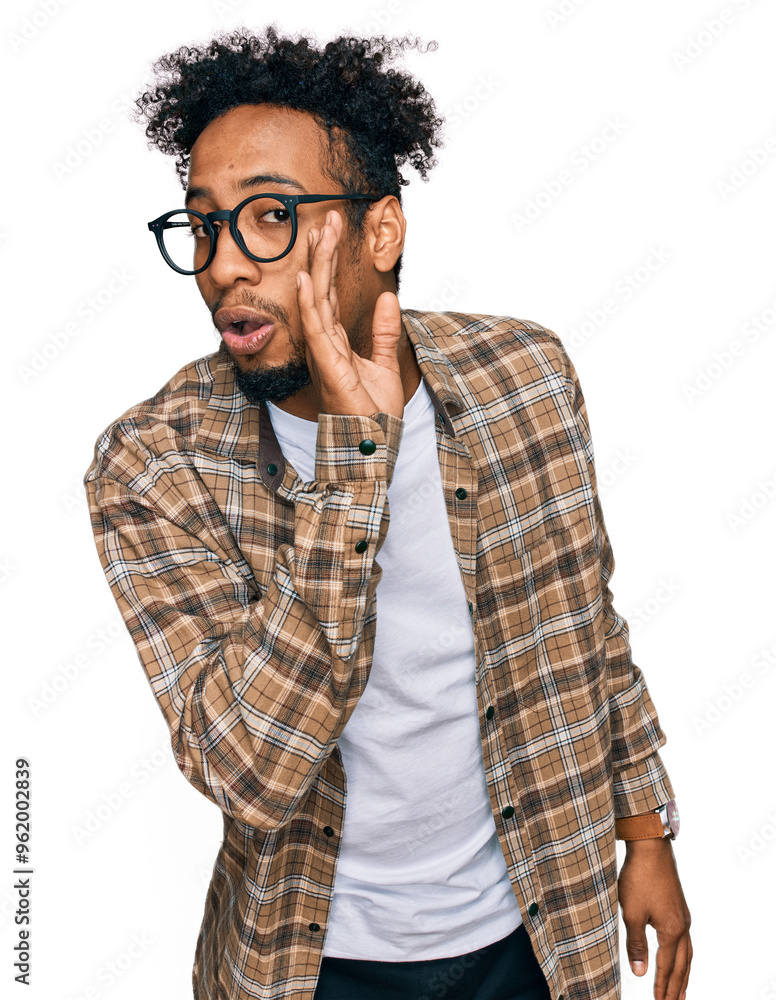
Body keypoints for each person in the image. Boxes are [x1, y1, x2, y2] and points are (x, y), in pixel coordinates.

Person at [83, 28, 692, 1000]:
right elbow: (250, 771)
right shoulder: (152, 464)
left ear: (379, 233)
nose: (224, 267)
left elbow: (584, 629)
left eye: (270, 216)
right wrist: (352, 469)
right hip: (309, 964)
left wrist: (644, 830)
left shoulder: (524, 379)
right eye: (203, 226)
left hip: (536, 931)